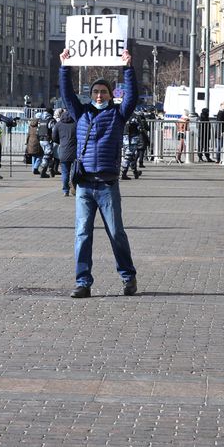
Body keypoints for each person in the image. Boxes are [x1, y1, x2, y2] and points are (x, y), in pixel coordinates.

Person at [59, 48, 138, 299]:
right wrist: (65, 67)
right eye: (95, 92)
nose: (100, 95)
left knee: (116, 232)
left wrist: (128, 67)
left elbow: (132, 98)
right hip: (84, 185)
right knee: (82, 234)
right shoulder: (81, 113)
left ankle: (128, 276)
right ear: (90, 94)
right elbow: (66, 95)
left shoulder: (118, 115)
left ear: (111, 94)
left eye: (104, 92)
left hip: (107, 184)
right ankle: (83, 282)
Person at [51, 108, 76, 196]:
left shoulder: (58, 124)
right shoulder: (76, 124)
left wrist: (60, 142)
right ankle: (74, 186)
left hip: (63, 151)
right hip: (75, 152)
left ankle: (65, 190)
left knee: (65, 172)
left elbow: (54, 137)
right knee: (74, 171)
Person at [120, 114, 142, 180]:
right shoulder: (135, 117)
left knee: (131, 155)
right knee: (129, 155)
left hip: (124, 137)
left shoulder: (123, 115)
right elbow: (140, 128)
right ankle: (123, 172)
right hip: (133, 137)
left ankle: (135, 172)